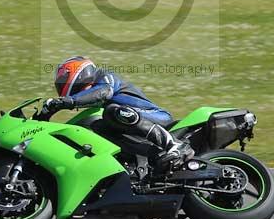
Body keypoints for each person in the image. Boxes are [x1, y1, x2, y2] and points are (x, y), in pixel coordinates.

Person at [43, 56, 194, 169]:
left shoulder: (104, 77)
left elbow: (103, 92)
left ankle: (174, 145)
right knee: (97, 127)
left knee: (112, 111)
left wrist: (66, 101)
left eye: (63, 78)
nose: (61, 83)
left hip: (155, 115)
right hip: (134, 123)